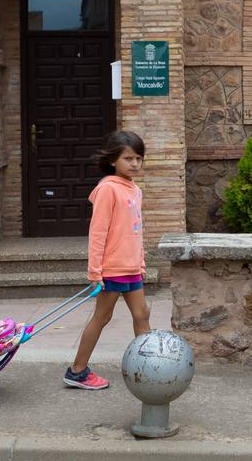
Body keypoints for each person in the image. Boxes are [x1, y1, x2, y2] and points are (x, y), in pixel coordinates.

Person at [63, 130, 152, 390]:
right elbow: (98, 233)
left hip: (131, 268)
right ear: (113, 160)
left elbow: (137, 231)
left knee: (142, 314)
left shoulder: (135, 190)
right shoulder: (107, 190)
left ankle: (146, 368)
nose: (135, 164)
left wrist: (141, 262)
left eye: (138, 158)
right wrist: (95, 272)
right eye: (128, 158)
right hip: (111, 269)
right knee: (102, 317)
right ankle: (77, 371)